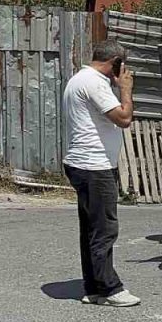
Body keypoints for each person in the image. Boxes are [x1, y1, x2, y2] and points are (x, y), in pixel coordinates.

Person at [62, 39, 140, 307]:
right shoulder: (94, 83)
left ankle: (93, 287)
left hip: (83, 164)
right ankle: (110, 289)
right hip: (94, 166)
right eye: (122, 66)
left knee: (92, 229)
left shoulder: (79, 79)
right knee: (104, 229)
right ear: (115, 63)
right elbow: (124, 118)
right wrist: (126, 89)